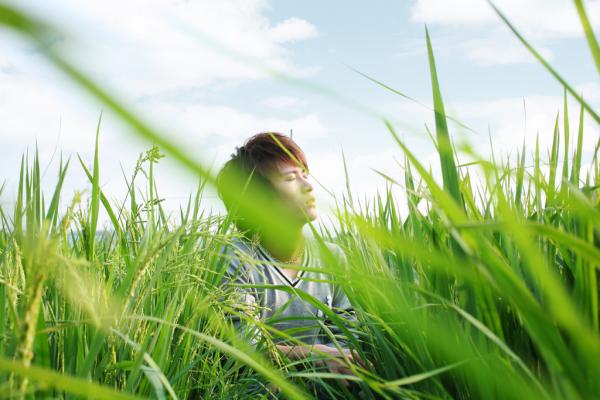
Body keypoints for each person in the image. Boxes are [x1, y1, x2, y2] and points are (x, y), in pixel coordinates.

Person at [215, 132, 366, 394]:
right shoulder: (235, 258)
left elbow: (347, 332)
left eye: (305, 174)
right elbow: (245, 347)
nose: (308, 186)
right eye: (290, 178)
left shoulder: (332, 256)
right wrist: (312, 354)